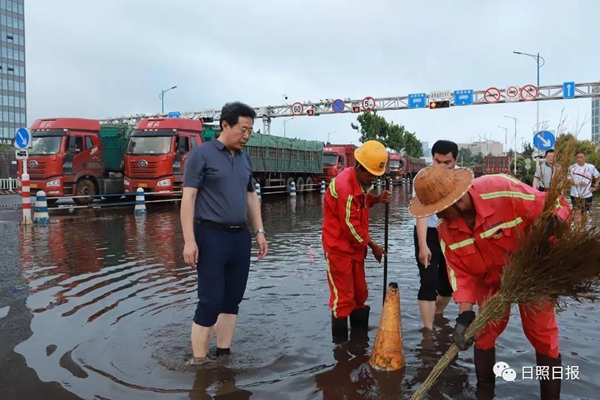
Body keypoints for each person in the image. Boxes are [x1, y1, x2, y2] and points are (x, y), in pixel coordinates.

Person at [409, 166, 571, 399]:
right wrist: (465, 315)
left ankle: (550, 396)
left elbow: (557, 203)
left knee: (543, 336)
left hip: (530, 274)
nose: (438, 218)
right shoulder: (446, 230)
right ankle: (484, 391)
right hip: (490, 282)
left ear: (456, 200)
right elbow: (461, 275)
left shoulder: (501, 190)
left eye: (440, 211)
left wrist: (555, 223)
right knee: (483, 334)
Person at [181, 101, 268, 365]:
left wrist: (260, 231)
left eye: (250, 130)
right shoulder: (202, 155)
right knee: (210, 300)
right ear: (225, 125)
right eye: (243, 129)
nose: (247, 135)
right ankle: (199, 362)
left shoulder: (244, 158)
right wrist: (189, 241)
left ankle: (224, 355)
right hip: (210, 235)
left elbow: (251, 197)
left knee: (232, 299)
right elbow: (189, 198)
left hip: (239, 237)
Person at [322, 140, 391, 341]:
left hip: (355, 250)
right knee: (343, 298)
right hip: (338, 249)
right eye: (371, 175)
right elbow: (351, 227)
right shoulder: (345, 187)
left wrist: (376, 199)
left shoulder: (359, 183)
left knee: (360, 294)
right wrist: (374, 246)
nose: (373, 179)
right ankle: (342, 351)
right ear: (360, 168)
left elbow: (361, 205)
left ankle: (360, 343)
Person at [412, 140, 457, 331]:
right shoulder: (423, 178)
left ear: (455, 160)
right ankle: (428, 332)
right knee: (428, 282)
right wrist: (423, 245)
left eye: (447, 162)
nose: (443, 167)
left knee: (448, 286)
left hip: (454, 234)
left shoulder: (462, 178)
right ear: (432, 159)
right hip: (428, 232)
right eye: (438, 162)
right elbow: (421, 213)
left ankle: (437, 314)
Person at [566, 151, 600, 224]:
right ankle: (577, 232)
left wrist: (594, 186)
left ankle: (583, 230)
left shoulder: (591, 167)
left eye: (581, 157)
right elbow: (568, 180)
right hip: (575, 194)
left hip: (587, 194)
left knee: (584, 214)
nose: (579, 159)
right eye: (578, 157)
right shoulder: (572, 167)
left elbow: (598, 177)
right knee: (577, 213)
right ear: (576, 158)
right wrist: (578, 182)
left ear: (585, 157)